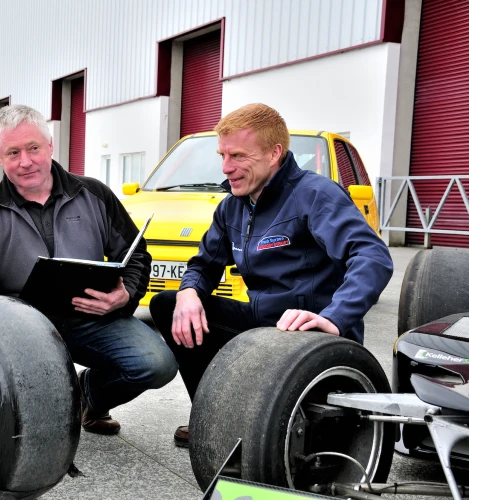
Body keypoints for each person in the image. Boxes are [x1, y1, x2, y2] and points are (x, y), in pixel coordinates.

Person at [148, 103, 394, 448]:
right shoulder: (233, 206)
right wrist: (189, 292)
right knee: (168, 304)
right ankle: (215, 415)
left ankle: (247, 422)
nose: (226, 167)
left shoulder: (314, 195)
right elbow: (203, 265)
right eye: (222, 155)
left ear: (274, 153)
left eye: (237, 156)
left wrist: (334, 318)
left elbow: (372, 256)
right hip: (263, 323)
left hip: (310, 332)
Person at [0, 104, 177, 435]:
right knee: (32, 429)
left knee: (157, 363)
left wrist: (125, 296)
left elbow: (134, 253)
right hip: (23, 329)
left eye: (33, 148)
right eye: (13, 152)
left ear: (50, 145)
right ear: (0, 159)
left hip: (93, 318)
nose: (25, 161)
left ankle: (88, 395)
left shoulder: (94, 194)